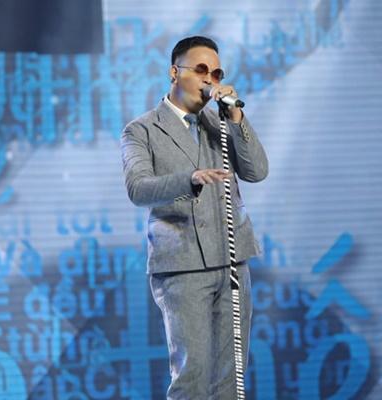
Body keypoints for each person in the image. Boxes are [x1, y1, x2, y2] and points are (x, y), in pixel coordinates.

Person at [120, 35, 268, 399]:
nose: (209, 79)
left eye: (216, 74)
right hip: (182, 263)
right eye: (201, 69)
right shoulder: (142, 130)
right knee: (193, 376)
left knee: (231, 378)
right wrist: (189, 179)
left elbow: (257, 171)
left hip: (231, 261)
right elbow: (138, 188)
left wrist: (236, 117)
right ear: (174, 72)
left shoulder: (220, 124)